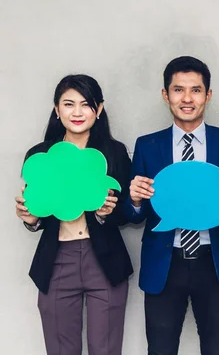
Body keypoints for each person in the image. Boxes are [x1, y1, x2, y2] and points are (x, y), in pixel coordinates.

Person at [125, 56, 219, 355]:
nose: (187, 98)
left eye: (195, 90)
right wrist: (134, 199)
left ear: (208, 95)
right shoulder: (147, 145)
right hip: (164, 264)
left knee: (218, 349)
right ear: (165, 95)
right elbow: (134, 214)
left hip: (214, 260)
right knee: (160, 349)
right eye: (178, 89)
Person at [15, 74, 133, 355]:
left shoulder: (114, 153)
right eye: (68, 104)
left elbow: (128, 212)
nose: (77, 112)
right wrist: (31, 219)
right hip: (56, 260)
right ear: (57, 110)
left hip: (104, 259)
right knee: (60, 349)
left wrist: (108, 212)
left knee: (105, 349)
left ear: (99, 109)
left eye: (85, 104)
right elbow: (39, 209)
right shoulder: (40, 156)